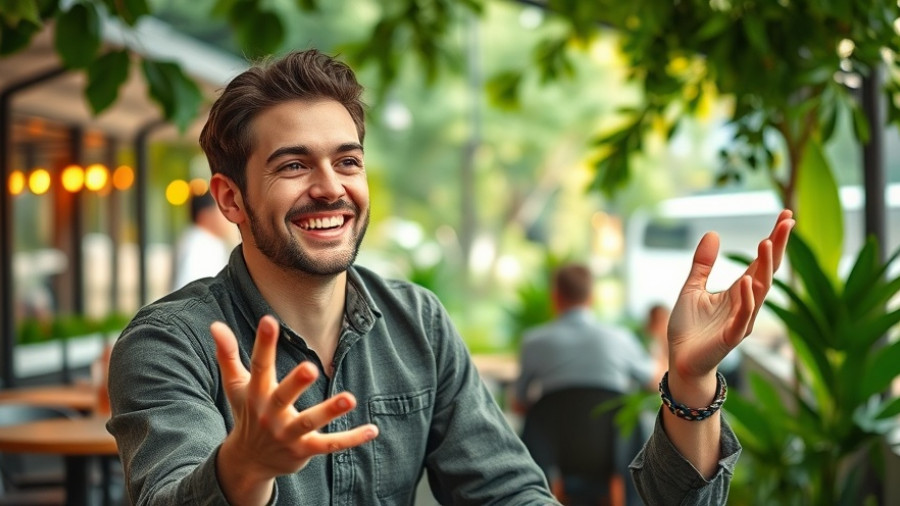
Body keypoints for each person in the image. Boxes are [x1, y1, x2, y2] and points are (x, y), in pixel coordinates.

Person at [105, 48, 795, 505]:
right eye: (292, 166)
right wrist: (245, 466)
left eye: (347, 161)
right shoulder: (170, 343)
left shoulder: (417, 324)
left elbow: (512, 497)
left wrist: (691, 384)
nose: (330, 187)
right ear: (230, 199)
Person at [513, 264, 663, 505]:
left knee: (535, 417)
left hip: (555, 454)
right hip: (615, 452)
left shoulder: (533, 342)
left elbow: (518, 404)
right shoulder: (620, 338)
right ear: (591, 298)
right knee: (633, 419)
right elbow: (655, 382)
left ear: (555, 298)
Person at [171, 191, 234, 291]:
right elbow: (189, 294)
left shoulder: (206, 242)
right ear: (205, 214)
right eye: (222, 210)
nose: (229, 217)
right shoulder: (199, 246)